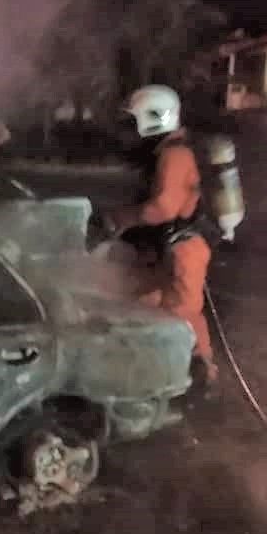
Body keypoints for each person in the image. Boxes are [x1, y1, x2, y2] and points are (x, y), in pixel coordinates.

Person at [103, 85, 218, 384]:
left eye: (134, 121)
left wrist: (123, 218)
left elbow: (164, 208)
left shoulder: (174, 155)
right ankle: (167, 366)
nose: (130, 131)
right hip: (174, 247)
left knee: (182, 314)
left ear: (153, 118)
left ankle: (199, 373)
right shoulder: (172, 152)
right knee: (151, 302)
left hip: (185, 249)